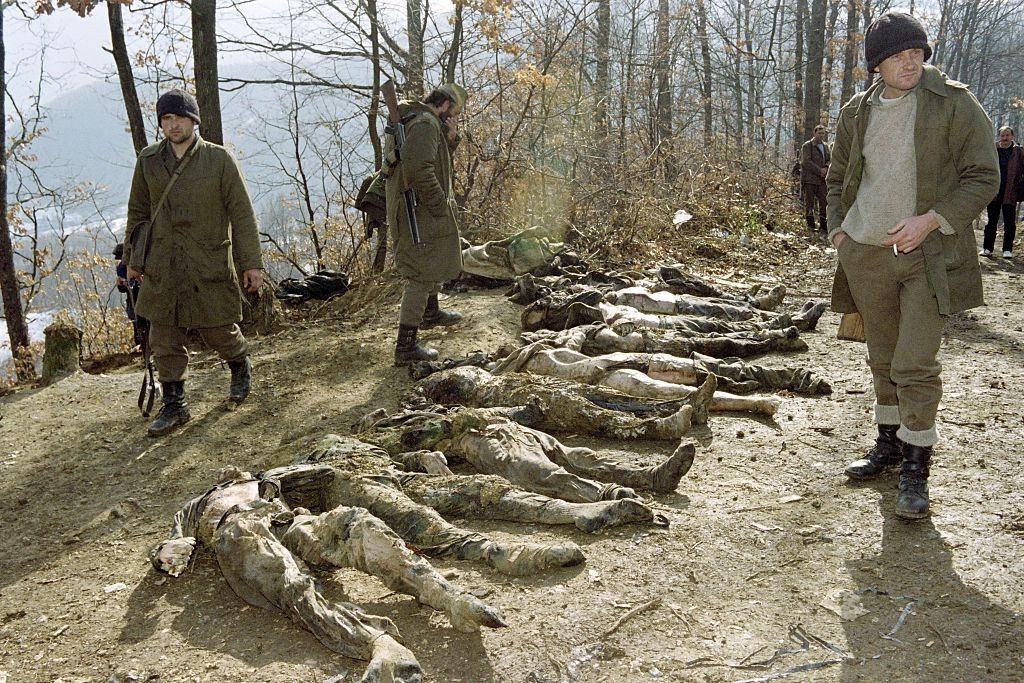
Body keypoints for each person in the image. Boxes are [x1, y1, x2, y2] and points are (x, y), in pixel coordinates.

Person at [826, 12, 998, 519]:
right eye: (898, 55)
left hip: (930, 258)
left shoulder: (955, 104)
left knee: (914, 364)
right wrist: (840, 231)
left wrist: (934, 220)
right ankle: (889, 444)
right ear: (876, 64)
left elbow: (983, 176)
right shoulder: (857, 112)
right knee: (882, 358)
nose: (910, 61)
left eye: (917, 52)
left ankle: (916, 469)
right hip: (865, 254)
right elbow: (837, 177)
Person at [123, 89, 264, 437]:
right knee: (164, 333)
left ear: (194, 120)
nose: (173, 126)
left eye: (179, 118)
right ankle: (175, 404)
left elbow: (242, 215)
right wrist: (132, 260)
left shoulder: (219, 160)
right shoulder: (148, 160)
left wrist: (251, 263)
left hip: (207, 259)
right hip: (163, 264)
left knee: (218, 327)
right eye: (166, 119)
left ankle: (239, 364)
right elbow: (138, 212)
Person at [385, 83, 469, 366]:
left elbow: (435, 158)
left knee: (433, 257)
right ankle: (405, 345)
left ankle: (431, 312)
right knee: (420, 274)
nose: (455, 117)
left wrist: (452, 137)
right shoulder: (425, 124)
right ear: (444, 105)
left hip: (419, 207)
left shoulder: (426, 123)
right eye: (454, 113)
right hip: (418, 209)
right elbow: (419, 170)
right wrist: (439, 205)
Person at [981, 125, 1024, 258]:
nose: (1005, 138)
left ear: (1012, 136)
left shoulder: (1019, 152)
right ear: (999, 136)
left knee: (1010, 223)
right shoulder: (993, 149)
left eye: (1007, 135)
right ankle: (987, 248)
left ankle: (1007, 250)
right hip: (994, 191)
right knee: (991, 222)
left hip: (1010, 192)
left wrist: (1020, 187)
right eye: (1002, 135)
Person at [112, 243, 148, 348]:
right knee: (135, 320)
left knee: (146, 320)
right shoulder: (120, 268)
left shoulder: (139, 264)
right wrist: (121, 284)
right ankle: (140, 343)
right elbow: (122, 288)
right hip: (132, 299)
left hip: (143, 297)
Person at [800, 124, 831, 232]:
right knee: (810, 203)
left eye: (823, 133)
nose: (821, 135)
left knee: (824, 203)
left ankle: (823, 226)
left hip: (822, 181)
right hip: (810, 180)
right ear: (814, 133)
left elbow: (829, 159)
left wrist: (826, 168)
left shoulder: (826, 146)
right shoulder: (807, 146)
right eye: (819, 133)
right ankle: (811, 226)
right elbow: (806, 162)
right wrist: (819, 171)